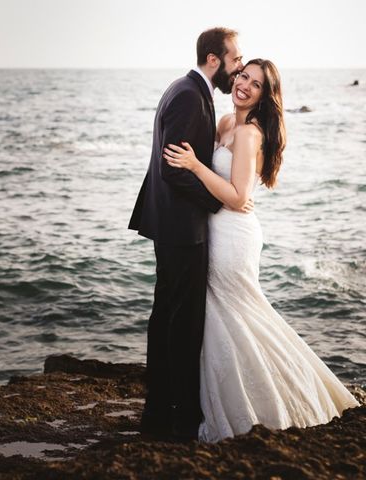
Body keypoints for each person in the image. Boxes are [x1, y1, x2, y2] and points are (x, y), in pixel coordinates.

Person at [163, 58, 360, 442]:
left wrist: (193, 165)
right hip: (213, 228)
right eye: (243, 76)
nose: (244, 85)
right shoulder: (224, 123)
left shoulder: (250, 133)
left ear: (265, 96)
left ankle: (271, 400)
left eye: (255, 84)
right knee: (221, 319)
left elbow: (237, 198)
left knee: (237, 316)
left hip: (233, 236)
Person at [128, 27, 246, 440]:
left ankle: (160, 412)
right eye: (235, 60)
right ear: (214, 59)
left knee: (169, 319)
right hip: (183, 229)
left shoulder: (188, 91)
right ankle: (174, 417)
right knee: (181, 325)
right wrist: (222, 202)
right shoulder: (188, 96)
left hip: (177, 226)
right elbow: (170, 167)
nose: (238, 68)